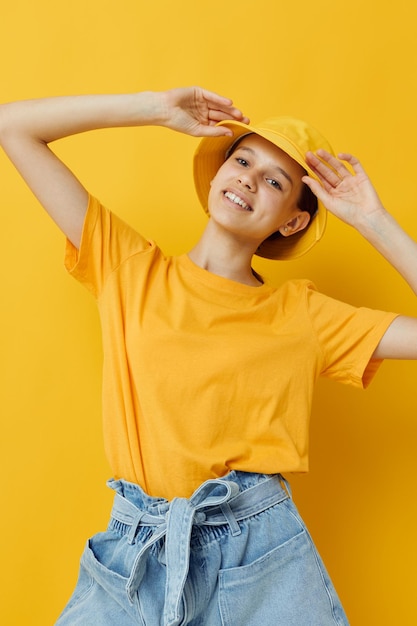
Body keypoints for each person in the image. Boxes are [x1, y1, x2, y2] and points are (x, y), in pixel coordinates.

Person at [1, 87, 416, 626]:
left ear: (292, 221)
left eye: (275, 181)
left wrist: (372, 220)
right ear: (219, 173)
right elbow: (13, 126)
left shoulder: (304, 316)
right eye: (242, 160)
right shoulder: (130, 270)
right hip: (136, 547)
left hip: (255, 555)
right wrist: (154, 110)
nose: (248, 178)